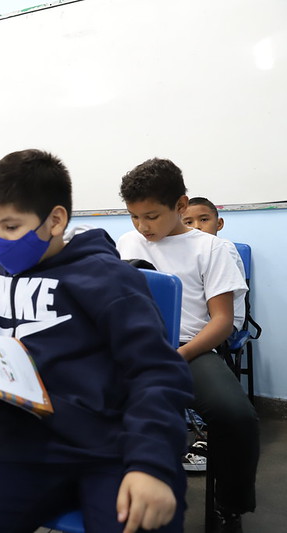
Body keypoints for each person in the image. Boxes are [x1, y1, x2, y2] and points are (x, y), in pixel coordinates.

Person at [0, 149, 193, 533]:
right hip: (21, 449)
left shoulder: (109, 279)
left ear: (55, 219)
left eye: (11, 226)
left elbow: (157, 373)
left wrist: (150, 464)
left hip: (107, 450)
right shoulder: (6, 265)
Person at [117, 158, 259, 533]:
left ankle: (229, 505)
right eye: (134, 217)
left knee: (236, 416)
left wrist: (179, 356)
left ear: (180, 206)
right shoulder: (127, 242)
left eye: (151, 216)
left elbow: (222, 321)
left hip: (188, 349)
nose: (142, 227)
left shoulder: (211, 249)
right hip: (132, 346)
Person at [183, 196, 246, 331]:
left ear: (219, 224)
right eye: (188, 222)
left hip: (226, 322)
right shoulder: (185, 251)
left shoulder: (224, 248)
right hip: (197, 321)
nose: (197, 226)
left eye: (204, 220)